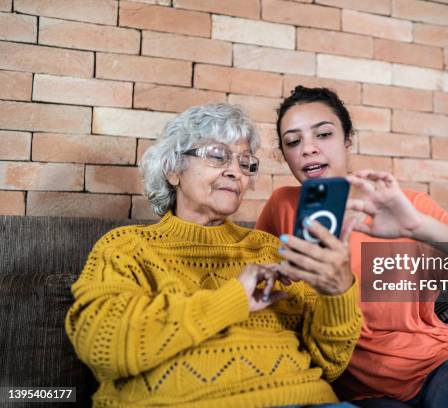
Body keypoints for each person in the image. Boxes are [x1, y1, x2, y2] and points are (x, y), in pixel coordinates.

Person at [65, 103, 362, 407]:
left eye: (245, 162)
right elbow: (103, 346)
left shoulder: (269, 249)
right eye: (217, 156)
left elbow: (330, 364)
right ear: (173, 170)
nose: (235, 172)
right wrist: (232, 299)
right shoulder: (126, 247)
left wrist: (338, 292)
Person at [256, 86, 448, 408]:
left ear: (347, 139)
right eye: (293, 141)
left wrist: (416, 226)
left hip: (441, 366)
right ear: (285, 155)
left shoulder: (405, 204)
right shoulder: (282, 206)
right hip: (356, 391)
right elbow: (260, 292)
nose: (308, 149)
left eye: (323, 134)